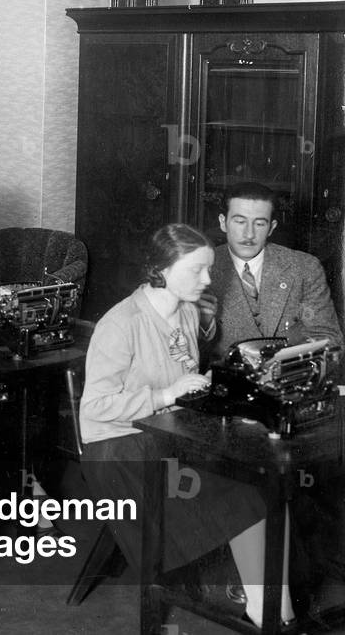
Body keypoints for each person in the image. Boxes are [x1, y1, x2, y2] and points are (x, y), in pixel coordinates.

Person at [80, 223, 294, 628]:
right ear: (161, 268)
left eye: (209, 269)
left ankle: (271, 609)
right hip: (120, 449)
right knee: (245, 496)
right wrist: (167, 395)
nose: (208, 279)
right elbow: (95, 407)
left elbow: (185, 382)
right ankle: (269, 613)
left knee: (262, 485)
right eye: (197, 270)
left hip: (167, 435)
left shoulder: (187, 311)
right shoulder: (121, 323)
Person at [206, 181, 342, 364]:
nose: (249, 234)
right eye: (240, 221)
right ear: (223, 223)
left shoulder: (304, 267)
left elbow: (329, 340)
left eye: (260, 224)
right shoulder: (202, 268)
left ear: (272, 227)